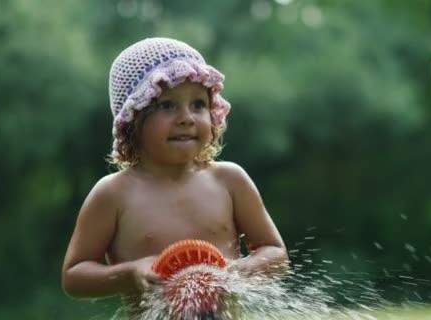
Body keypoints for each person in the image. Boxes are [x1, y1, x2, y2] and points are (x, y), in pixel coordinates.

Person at [61, 37, 288, 318]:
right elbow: (74, 275)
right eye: (167, 105)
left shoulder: (230, 181)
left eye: (198, 104)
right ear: (132, 118)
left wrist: (233, 272)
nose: (186, 118)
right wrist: (129, 273)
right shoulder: (113, 194)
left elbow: (276, 255)